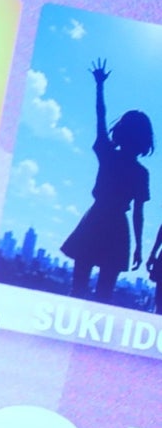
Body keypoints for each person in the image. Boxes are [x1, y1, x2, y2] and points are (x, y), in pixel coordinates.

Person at [61, 58, 152, 303]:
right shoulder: (140, 172)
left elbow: (100, 117)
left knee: (78, 288)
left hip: (95, 220)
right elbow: (138, 214)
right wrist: (139, 247)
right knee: (103, 295)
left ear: (120, 131)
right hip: (117, 228)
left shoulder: (108, 154)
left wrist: (100, 86)